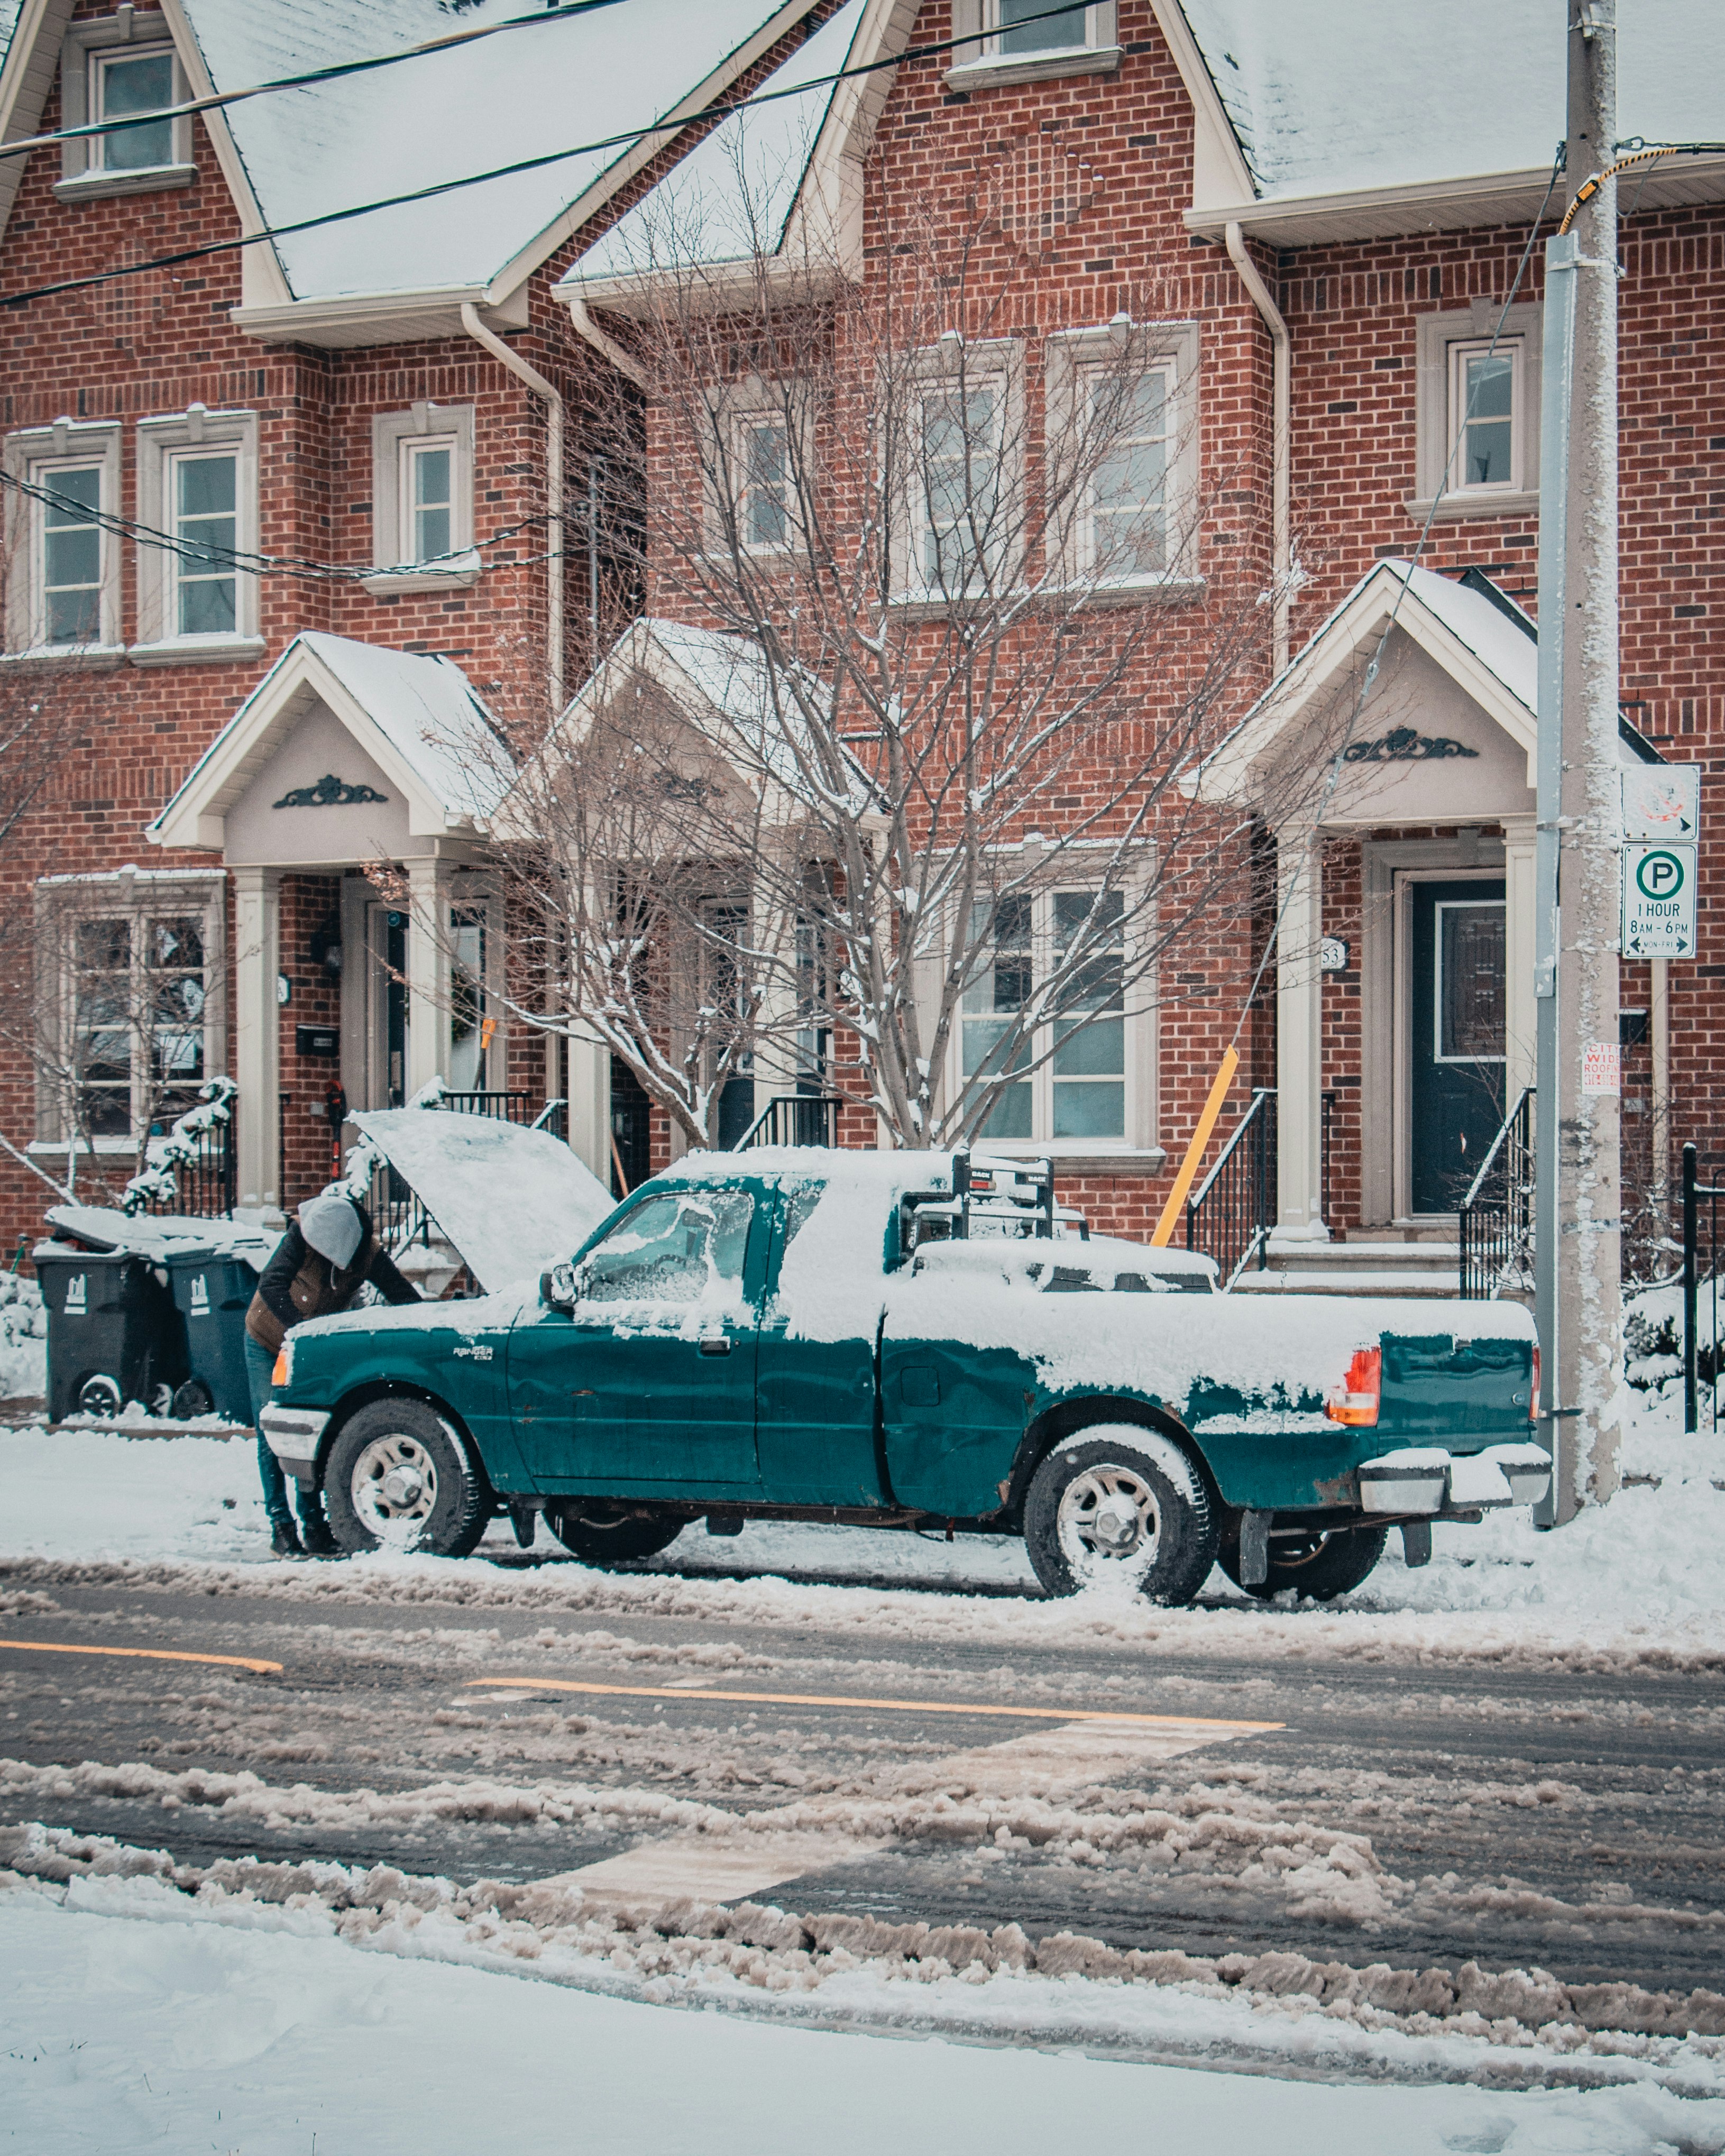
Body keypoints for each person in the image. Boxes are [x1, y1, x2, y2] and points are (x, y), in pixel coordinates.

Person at [245, 1189, 420, 1556]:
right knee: (274, 1434)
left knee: (312, 1430)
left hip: (312, 1347)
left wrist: (428, 1324)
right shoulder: (300, 1235)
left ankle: (314, 1525)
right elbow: (271, 1284)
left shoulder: (367, 1254)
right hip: (268, 1340)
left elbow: (401, 1293)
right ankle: (281, 1525)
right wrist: (300, 1330)